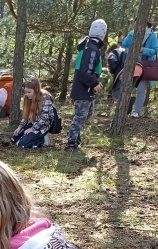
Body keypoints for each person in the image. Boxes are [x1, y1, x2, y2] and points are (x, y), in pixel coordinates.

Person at [67, 19, 106, 152]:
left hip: (85, 89)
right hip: (83, 89)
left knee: (87, 114)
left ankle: (75, 138)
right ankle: (71, 143)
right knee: (81, 116)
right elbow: (84, 72)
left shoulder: (88, 47)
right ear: (102, 34)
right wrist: (94, 83)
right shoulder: (91, 49)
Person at [122, 21, 158, 118]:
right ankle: (125, 108)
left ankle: (136, 112)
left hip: (145, 66)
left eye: (136, 22)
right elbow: (124, 45)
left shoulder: (152, 35)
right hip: (132, 64)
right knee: (127, 87)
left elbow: (155, 50)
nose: (134, 25)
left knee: (141, 89)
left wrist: (143, 50)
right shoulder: (132, 33)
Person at [11, 78, 55, 149]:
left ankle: (44, 140)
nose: (26, 94)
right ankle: (32, 137)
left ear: (36, 90)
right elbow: (26, 116)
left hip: (42, 126)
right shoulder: (28, 98)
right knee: (13, 139)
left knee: (21, 144)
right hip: (32, 123)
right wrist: (19, 127)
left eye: (29, 92)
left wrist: (33, 129)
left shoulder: (45, 97)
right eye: (25, 92)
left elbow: (44, 118)